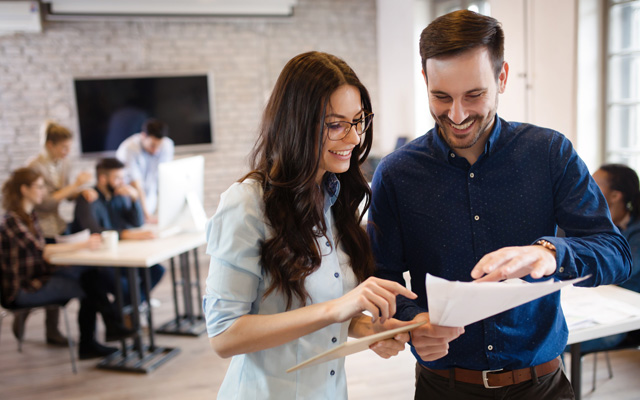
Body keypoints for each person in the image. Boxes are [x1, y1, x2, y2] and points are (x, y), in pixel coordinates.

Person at [367, 10, 632, 399]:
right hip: (444, 388)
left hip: (542, 386)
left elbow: (616, 254)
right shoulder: (395, 174)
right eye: (441, 96)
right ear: (425, 80)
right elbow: (382, 281)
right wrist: (409, 325)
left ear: (503, 77)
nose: (457, 115)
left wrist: (549, 254)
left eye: (474, 95)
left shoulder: (549, 153)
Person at [203, 51, 419, 399]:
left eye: (358, 121)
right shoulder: (247, 204)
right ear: (297, 125)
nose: (353, 138)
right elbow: (225, 336)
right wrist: (339, 307)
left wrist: (367, 328)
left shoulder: (334, 200)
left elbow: (318, 315)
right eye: (335, 125)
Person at [0, 168, 135, 359]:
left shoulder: (29, 217)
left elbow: (42, 252)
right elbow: (43, 251)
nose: (44, 192)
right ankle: (103, 331)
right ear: (24, 190)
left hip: (40, 277)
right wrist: (82, 244)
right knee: (90, 283)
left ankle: (106, 329)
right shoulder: (12, 221)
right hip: (24, 289)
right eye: (39, 187)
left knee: (91, 275)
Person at [23, 121, 97, 346]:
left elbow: (66, 195)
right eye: (63, 148)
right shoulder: (35, 167)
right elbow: (44, 203)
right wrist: (75, 185)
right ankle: (46, 325)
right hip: (41, 227)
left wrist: (82, 191)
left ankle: (49, 327)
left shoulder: (63, 164)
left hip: (58, 225)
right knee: (51, 274)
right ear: (50, 145)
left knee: (63, 272)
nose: (67, 152)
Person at [70, 158, 165, 307]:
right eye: (117, 178)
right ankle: (126, 314)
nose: (122, 182)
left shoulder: (119, 196)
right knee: (126, 288)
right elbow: (93, 231)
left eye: (123, 177)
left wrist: (135, 199)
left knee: (157, 270)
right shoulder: (88, 197)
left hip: (120, 256)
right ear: (102, 178)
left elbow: (138, 222)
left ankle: (126, 311)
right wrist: (127, 234)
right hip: (97, 262)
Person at [572, 164, 640, 352]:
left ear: (615, 196)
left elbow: (618, 270)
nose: (587, 186)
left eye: (594, 183)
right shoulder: (601, 226)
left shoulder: (636, 232)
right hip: (598, 304)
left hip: (623, 317)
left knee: (555, 340)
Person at [115, 118, 174, 223]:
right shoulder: (129, 149)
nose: (156, 150)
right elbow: (136, 184)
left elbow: (165, 177)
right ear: (143, 136)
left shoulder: (167, 145)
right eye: (152, 145)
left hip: (150, 198)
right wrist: (147, 215)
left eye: (159, 145)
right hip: (129, 201)